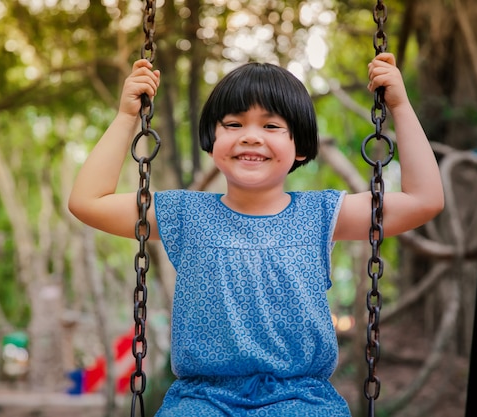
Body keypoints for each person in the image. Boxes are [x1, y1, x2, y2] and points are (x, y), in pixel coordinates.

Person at [69, 53, 444, 416]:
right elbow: (88, 201)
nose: (250, 137)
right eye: (233, 124)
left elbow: (423, 200)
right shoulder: (184, 214)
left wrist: (400, 106)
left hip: (301, 397)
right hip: (203, 399)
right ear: (212, 139)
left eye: (270, 126)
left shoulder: (322, 215)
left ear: (299, 147)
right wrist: (125, 116)